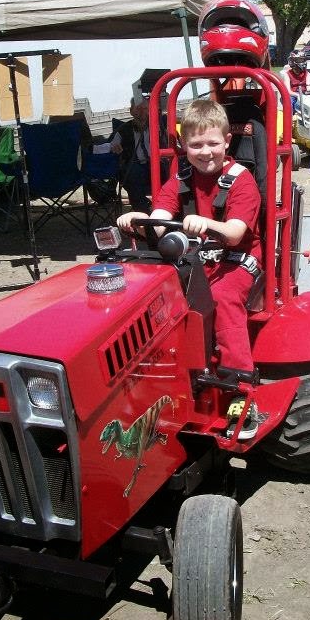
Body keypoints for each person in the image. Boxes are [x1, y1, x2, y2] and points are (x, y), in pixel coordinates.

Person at [117, 99, 264, 438]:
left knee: (222, 299)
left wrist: (206, 223)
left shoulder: (241, 181)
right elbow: (161, 218)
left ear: (227, 142)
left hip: (238, 260)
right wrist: (139, 221)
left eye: (213, 143)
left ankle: (241, 393)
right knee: (151, 292)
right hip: (196, 257)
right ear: (184, 145)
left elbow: (235, 233)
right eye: (196, 144)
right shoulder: (181, 175)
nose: (205, 151)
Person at [93, 95, 154, 213]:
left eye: (145, 108)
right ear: (131, 111)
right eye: (138, 108)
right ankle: (144, 216)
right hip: (136, 168)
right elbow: (111, 145)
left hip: (157, 165)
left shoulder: (159, 125)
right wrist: (114, 148)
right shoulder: (123, 129)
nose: (141, 111)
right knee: (132, 172)